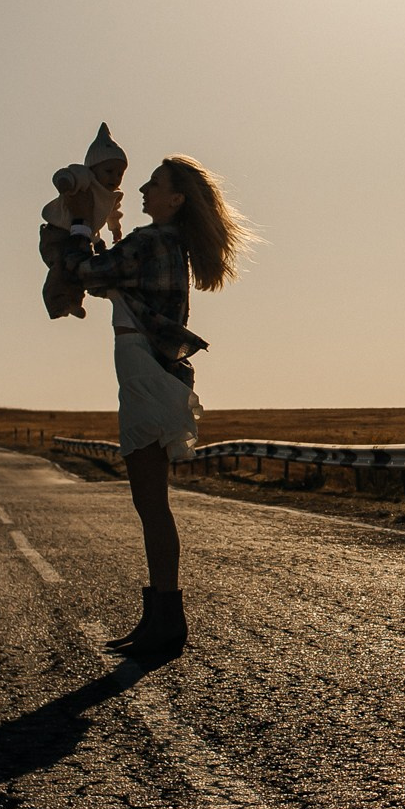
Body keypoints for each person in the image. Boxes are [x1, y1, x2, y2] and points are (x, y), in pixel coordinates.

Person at [48, 155, 250, 659]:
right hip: (153, 375)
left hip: (145, 377)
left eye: (155, 184)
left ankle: (166, 619)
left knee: (151, 504)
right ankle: (159, 615)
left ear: (175, 199)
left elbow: (83, 269)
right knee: (150, 504)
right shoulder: (164, 244)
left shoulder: (153, 240)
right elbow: (105, 278)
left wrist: (76, 219)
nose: (142, 188)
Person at [38, 124, 128, 318]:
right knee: (61, 267)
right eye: (109, 171)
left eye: (120, 173)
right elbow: (65, 173)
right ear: (94, 168)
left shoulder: (112, 196)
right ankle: (56, 302)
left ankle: (74, 301)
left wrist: (115, 229)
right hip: (58, 232)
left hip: (83, 235)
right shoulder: (85, 178)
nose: (115, 177)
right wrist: (65, 183)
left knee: (79, 268)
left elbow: (114, 214)